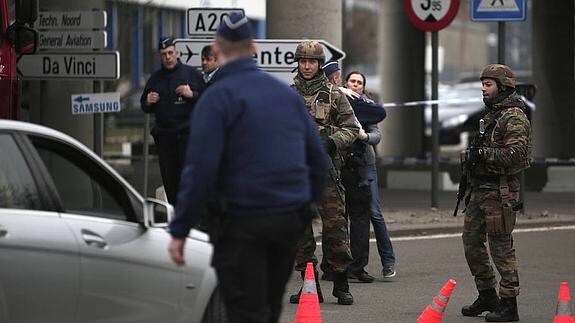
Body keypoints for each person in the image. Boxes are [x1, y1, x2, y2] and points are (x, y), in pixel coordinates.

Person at [167, 13, 328, 323]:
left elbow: (199, 170)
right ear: (253, 48)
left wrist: (180, 230)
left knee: (244, 311)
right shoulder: (286, 95)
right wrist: (306, 209)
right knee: (269, 309)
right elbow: (317, 161)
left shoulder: (216, 99)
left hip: (240, 223)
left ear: (216, 49)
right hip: (287, 221)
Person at [289, 40, 360, 306]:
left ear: (319, 64)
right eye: (303, 61)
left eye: (312, 62)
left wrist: (331, 141)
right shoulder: (288, 95)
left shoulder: (334, 94)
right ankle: (310, 284)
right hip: (296, 172)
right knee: (299, 231)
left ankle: (340, 283)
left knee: (335, 228)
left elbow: (352, 128)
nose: (307, 66)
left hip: (327, 172)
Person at [460, 64, 532, 322]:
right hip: (481, 189)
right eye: (483, 83)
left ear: (503, 87)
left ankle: (509, 303)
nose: (483, 88)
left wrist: (484, 155)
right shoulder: (492, 115)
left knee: (500, 247)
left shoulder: (513, 117)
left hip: (501, 191)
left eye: (488, 84)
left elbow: (516, 155)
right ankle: (487, 294)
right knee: (471, 242)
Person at [340, 71, 394, 283]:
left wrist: (365, 136)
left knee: (374, 213)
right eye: (352, 81)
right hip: (343, 164)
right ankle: (341, 265)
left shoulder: (367, 106)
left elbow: (377, 135)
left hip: (365, 164)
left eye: (359, 83)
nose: (355, 85)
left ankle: (388, 261)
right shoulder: (338, 100)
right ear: (346, 83)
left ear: (363, 87)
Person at [140, 36, 205, 205]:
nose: (167, 57)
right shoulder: (156, 78)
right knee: (170, 180)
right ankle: (175, 215)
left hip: (187, 137)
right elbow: (144, 106)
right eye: (163, 54)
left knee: (189, 179)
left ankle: (192, 216)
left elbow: (207, 102)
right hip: (165, 138)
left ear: (177, 54)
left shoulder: (192, 74)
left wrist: (192, 95)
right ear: (159, 57)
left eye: (170, 53)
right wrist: (148, 101)